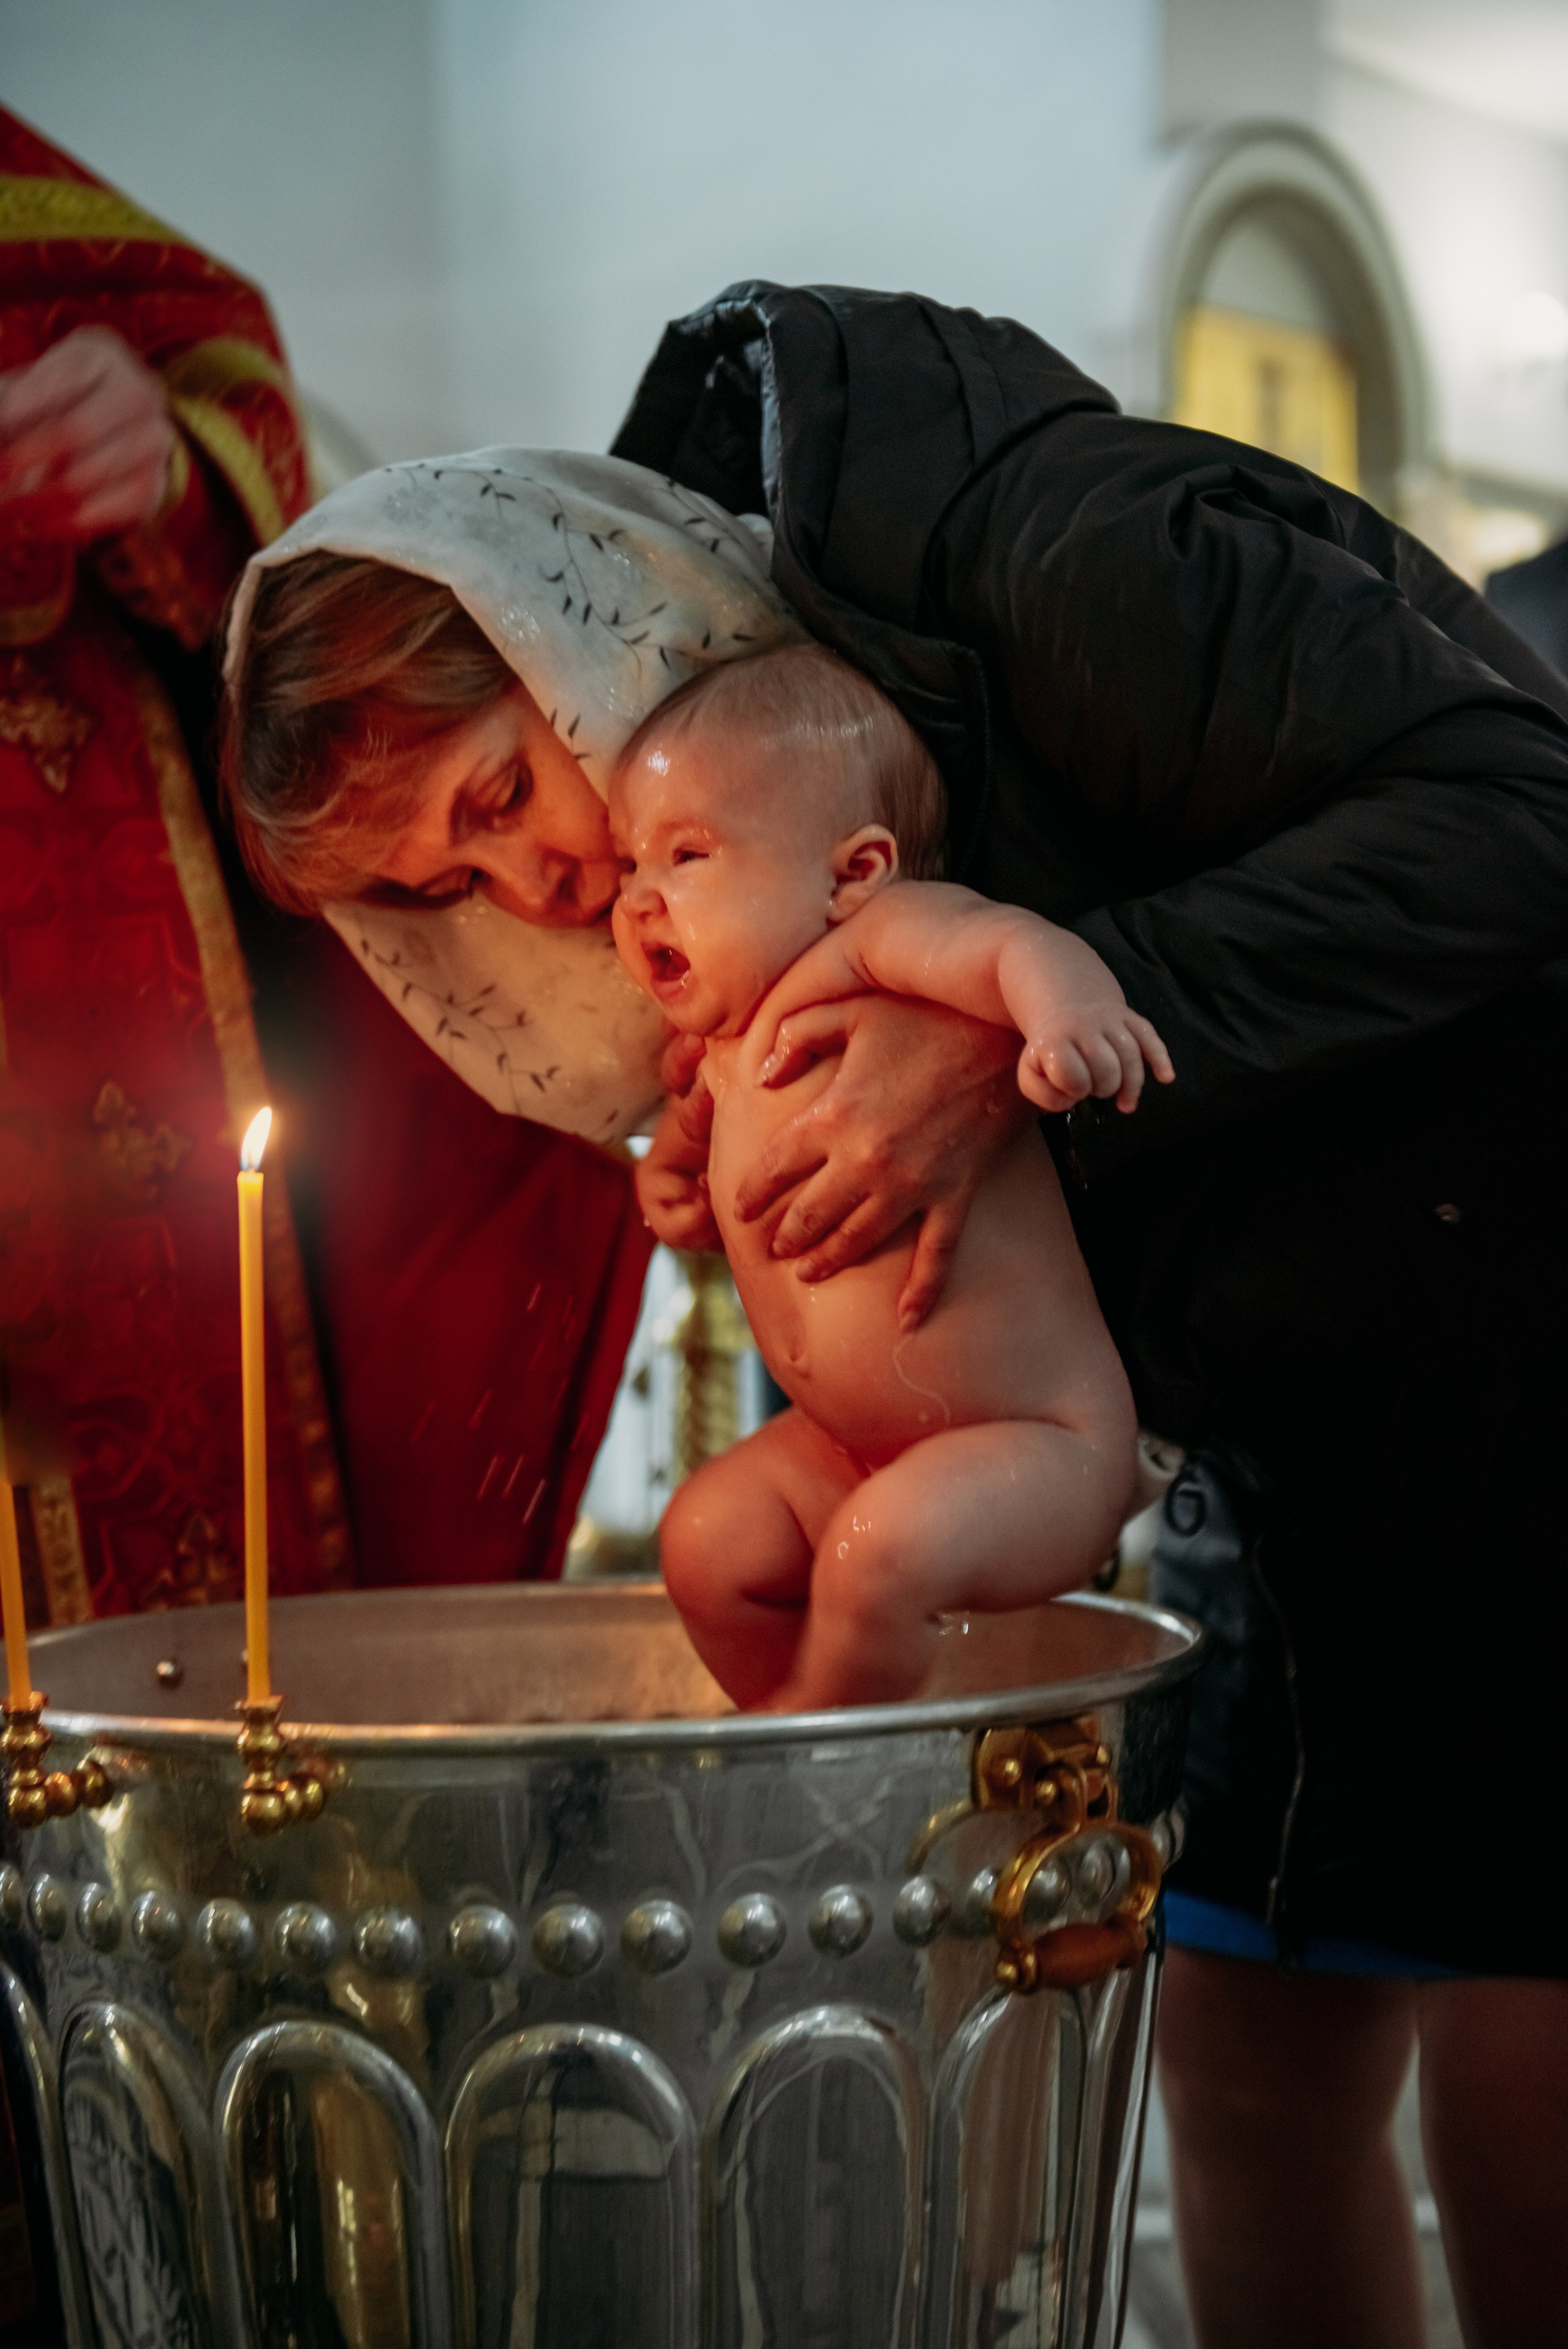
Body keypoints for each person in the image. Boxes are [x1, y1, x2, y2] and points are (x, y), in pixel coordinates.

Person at [219, 279, 1567, 2347]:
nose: (538, 888)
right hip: (1280, 1409)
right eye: (448, 883)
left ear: (563, 629)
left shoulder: (1051, 547)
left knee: (1524, 2049)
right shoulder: (754, 824)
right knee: (1249, 2065)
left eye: (494, 795)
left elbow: (1519, 811)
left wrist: (1004, 1051)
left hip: (1523, 1321)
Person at [612, 642, 1168, 1708]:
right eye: (628, 864)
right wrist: (673, 1176)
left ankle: (826, 1761)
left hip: (1036, 1446)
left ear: (853, 873)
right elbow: (697, 1134)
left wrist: (1068, 1017)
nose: (639, 900)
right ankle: (793, 1729)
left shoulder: (879, 943)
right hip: (851, 1451)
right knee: (706, 1541)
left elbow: (1012, 946)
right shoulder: (725, 1047)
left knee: (876, 1554)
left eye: (685, 856)